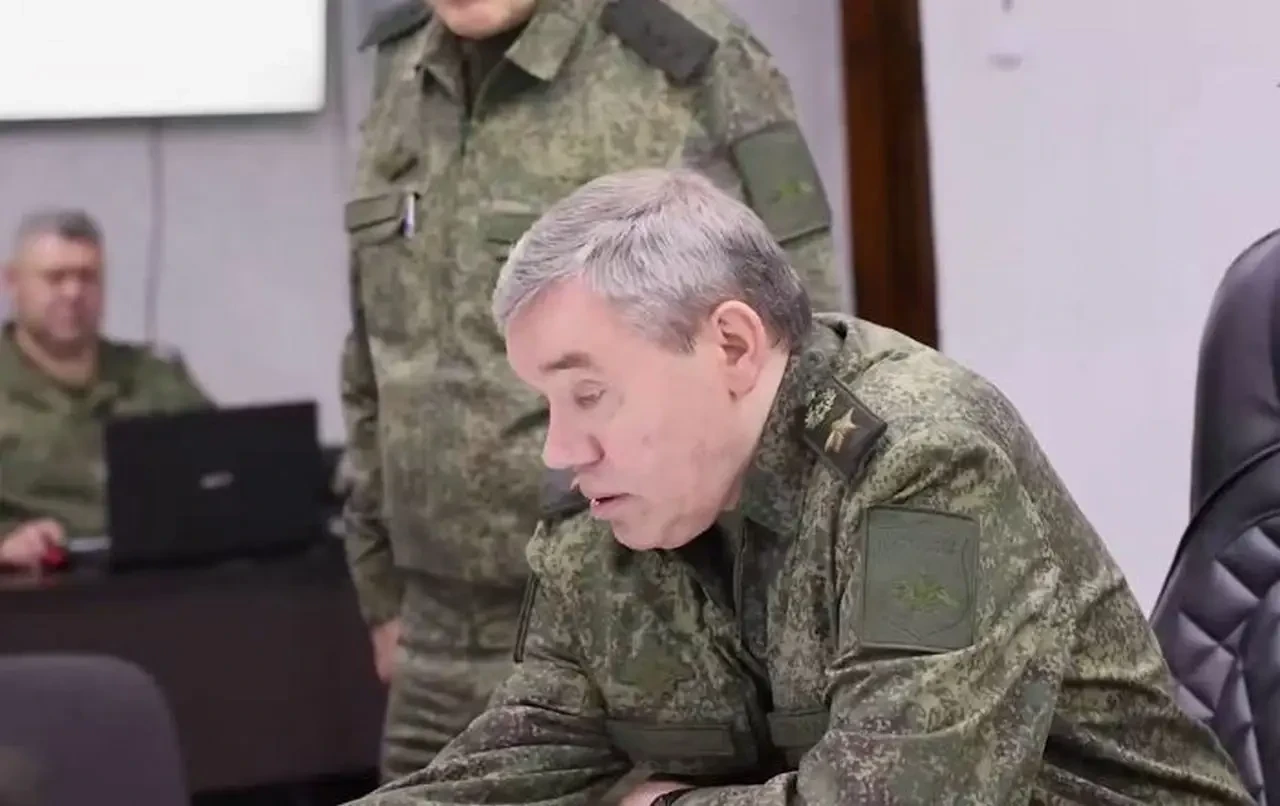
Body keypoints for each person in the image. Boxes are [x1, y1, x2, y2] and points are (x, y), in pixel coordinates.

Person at [344, 167, 1252, 805]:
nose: (559, 448)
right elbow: (507, 771)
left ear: (732, 345)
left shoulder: (923, 467)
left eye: (588, 394)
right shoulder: (608, 519)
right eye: (545, 404)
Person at [342, 0, 845, 780]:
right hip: (435, 632)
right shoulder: (401, 66)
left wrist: (781, 628)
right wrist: (378, 583)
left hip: (636, 628)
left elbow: (798, 348)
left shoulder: (687, 58)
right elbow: (374, 350)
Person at [0, 209, 210, 571]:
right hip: (37, 588)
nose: (73, 293)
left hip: (159, 579)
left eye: (88, 277)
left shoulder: (154, 376)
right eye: (55, 278)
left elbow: (225, 469)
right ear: (13, 282)